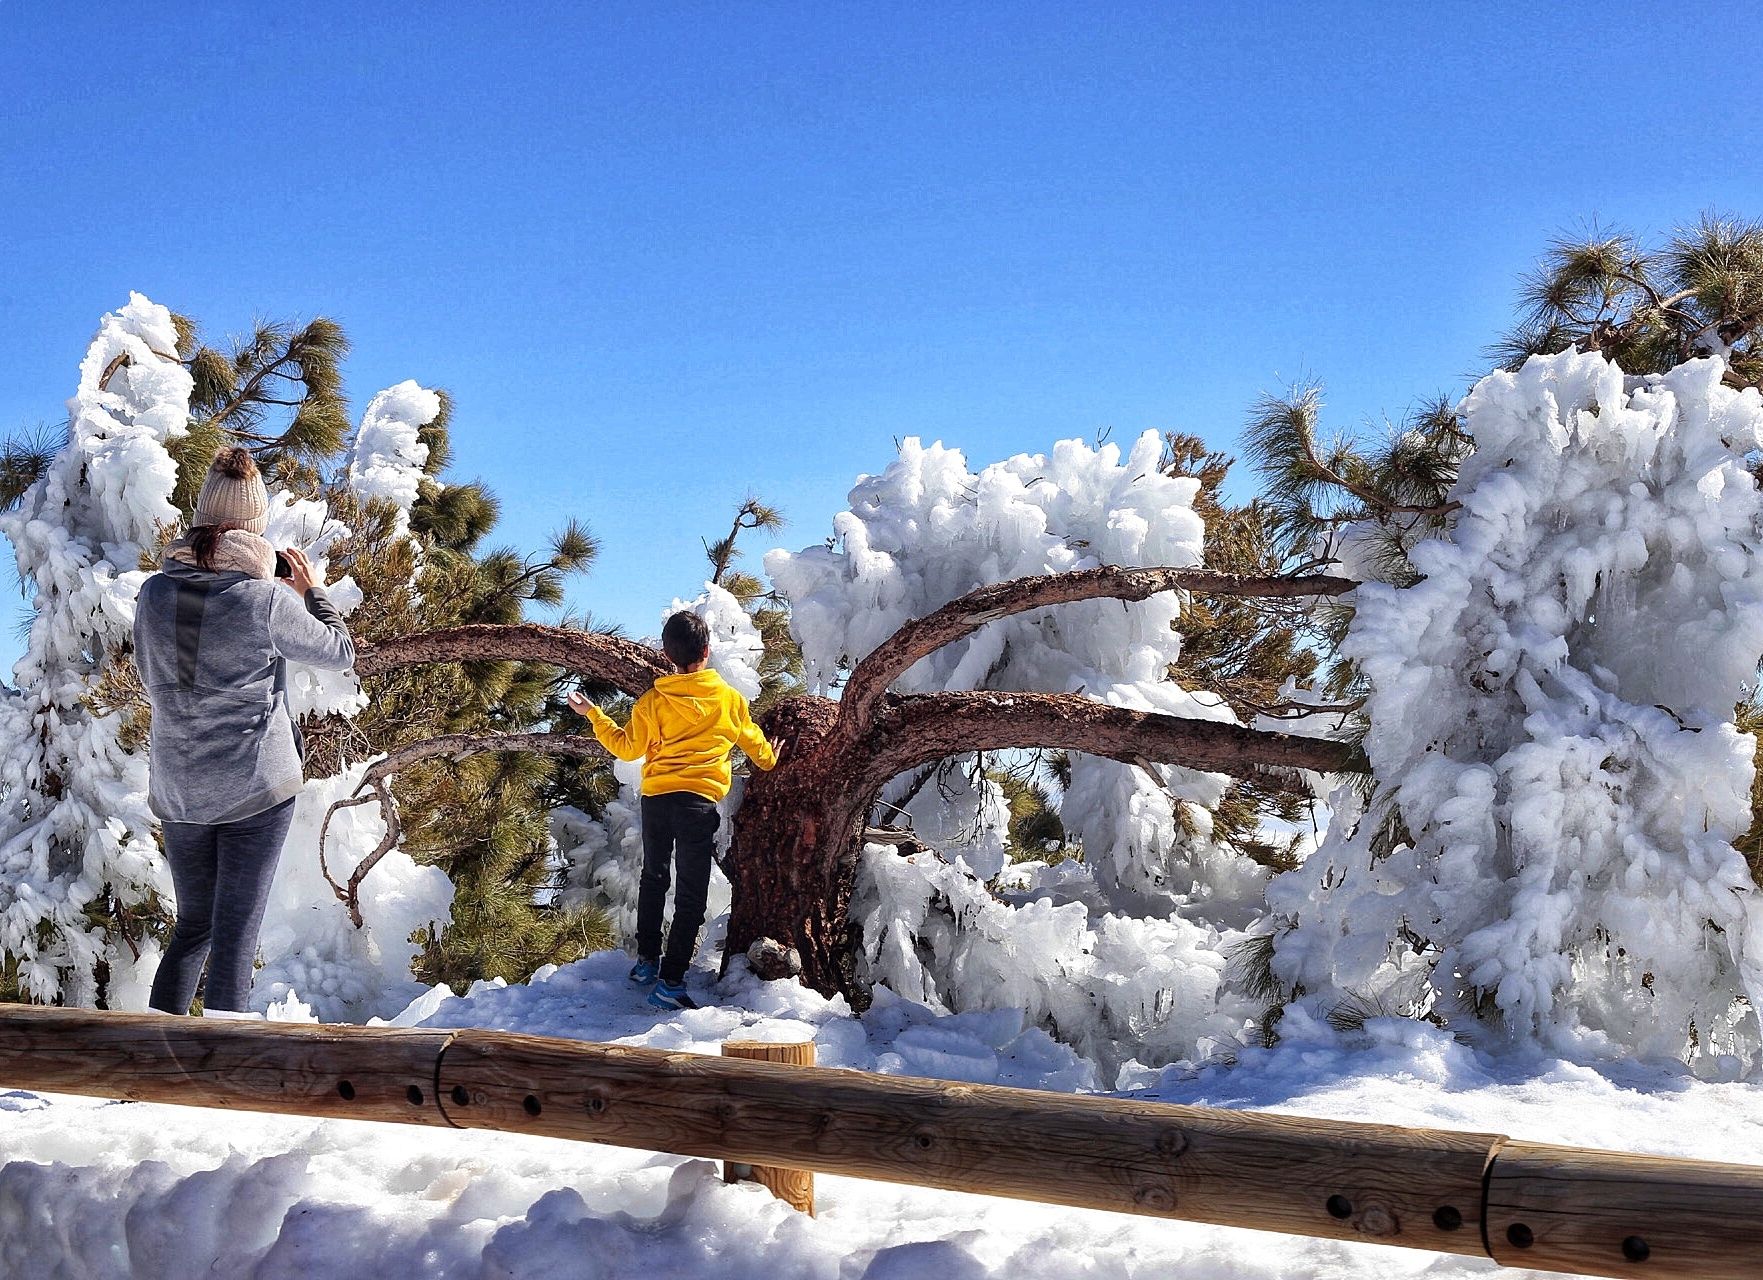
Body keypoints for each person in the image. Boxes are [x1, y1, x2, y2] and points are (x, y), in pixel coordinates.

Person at [132, 448, 355, 1017]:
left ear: (201, 518)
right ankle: (223, 1075)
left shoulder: (154, 595)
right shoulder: (264, 601)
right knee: (234, 935)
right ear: (256, 528)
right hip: (254, 789)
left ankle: (155, 1061)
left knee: (193, 928)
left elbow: (151, 673)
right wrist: (312, 592)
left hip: (179, 789)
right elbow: (340, 651)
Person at [569, 611, 778, 1010]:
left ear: (667, 655)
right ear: (707, 651)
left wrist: (593, 715)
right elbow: (760, 755)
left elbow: (628, 748)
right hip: (697, 804)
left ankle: (647, 962)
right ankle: (671, 980)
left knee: (654, 878)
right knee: (691, 895)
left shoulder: (653, 701)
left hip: (657, 801)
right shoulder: (728, 701)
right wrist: (773, 755)